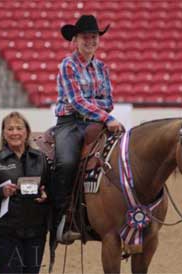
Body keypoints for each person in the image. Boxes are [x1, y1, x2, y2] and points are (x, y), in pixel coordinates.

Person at [53, 14, 124, 243]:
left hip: (96, 122)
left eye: (94, 37)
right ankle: (63, 217)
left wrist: (98, 111)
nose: (90, 41)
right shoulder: (68, 65)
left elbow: (109, 100)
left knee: (121, 156)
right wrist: (103, 113)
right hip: (70, 123)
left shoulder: (102, 67)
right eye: (85, 37)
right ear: (76, 39)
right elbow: (76, 101)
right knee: (66, 161)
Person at [0, 112, 49, 274]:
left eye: (19, 128)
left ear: (27, 132)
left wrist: (46, 194)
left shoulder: (41, 158)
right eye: (10, 129)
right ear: (4, 133)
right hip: (5, 232)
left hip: (35, 232)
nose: (15, 132)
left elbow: (49, 187)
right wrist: (0, 192)